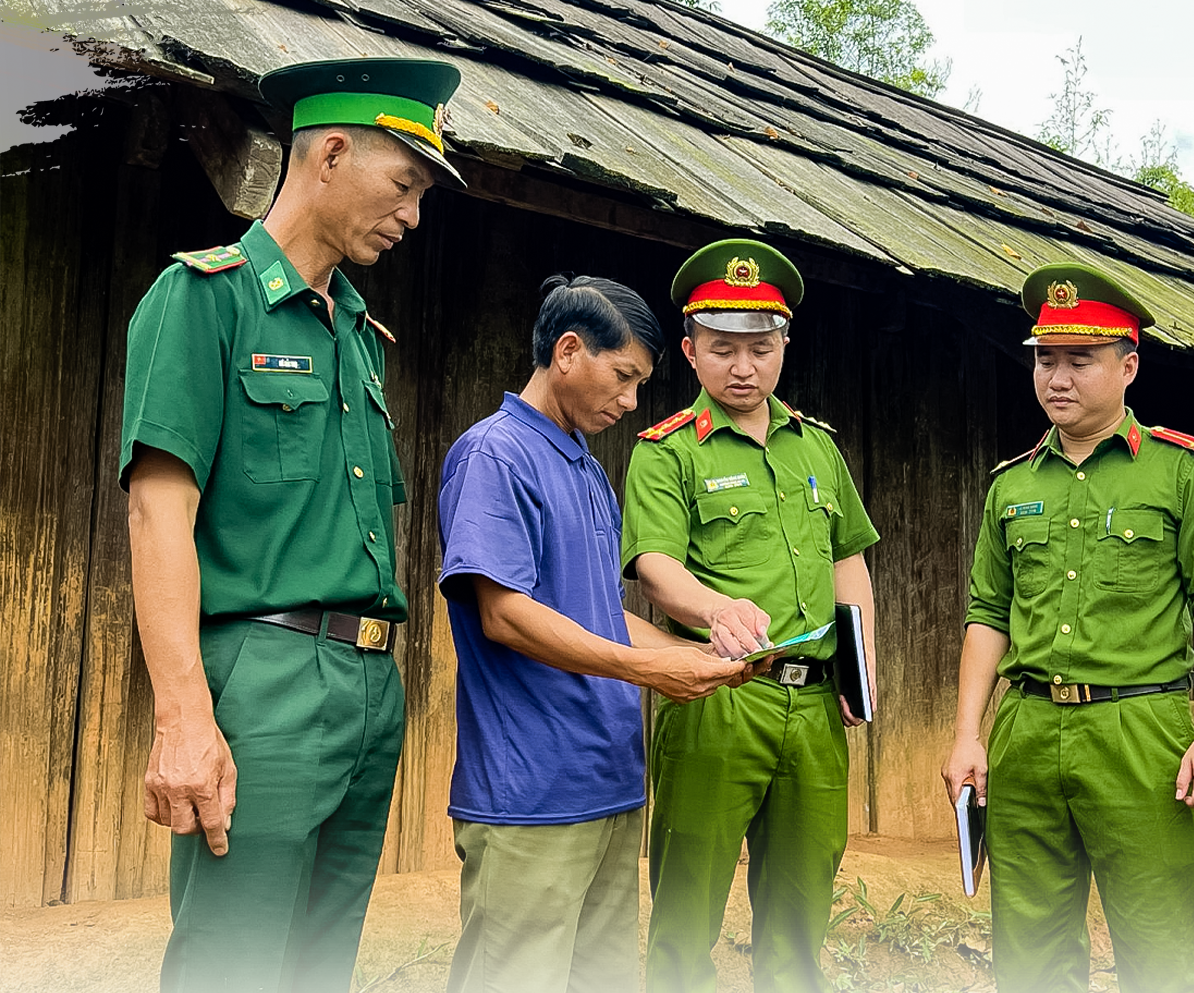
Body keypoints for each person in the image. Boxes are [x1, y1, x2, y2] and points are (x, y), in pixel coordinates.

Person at [121, 57, 463, 992]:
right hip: (263, 681)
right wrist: (184, 717)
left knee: (320, 965)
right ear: (333, 154)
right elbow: (159, 512)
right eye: (403, 186)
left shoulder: (358, 335)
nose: (412, 217)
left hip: (367, 684)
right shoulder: (205, 298)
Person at [435, 275, 750, 993]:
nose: (632, 401)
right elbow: (504, 612)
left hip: (606, 783)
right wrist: (649, 674)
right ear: (570, 351)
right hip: (530, 792)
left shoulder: (585, 468)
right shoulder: (496, 454)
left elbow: (602, 614)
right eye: (625, 377)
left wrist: (699, 654)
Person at [941, 263, 1194, 993]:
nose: (1057, 376)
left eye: (1081, 360)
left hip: (1139, 730)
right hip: (1026, 728)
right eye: (1045, 358)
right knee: (1030, 952)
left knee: (1160, 945)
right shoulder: (1011, 484)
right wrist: (966, 733)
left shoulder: (1186, 469)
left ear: (1128, 366)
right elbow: (987, 614)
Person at [622, 239, 881, 993]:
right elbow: (656, 569)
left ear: (783, 347)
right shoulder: (667, 452)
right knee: (686, 911)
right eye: (724, 348)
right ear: (690, 351)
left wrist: (861, 669)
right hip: (717, 696)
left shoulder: (819, 448)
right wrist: (715, 608)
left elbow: (849, 560)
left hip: (815, 711)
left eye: (761, 348)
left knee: (802, 916)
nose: (744, 367)